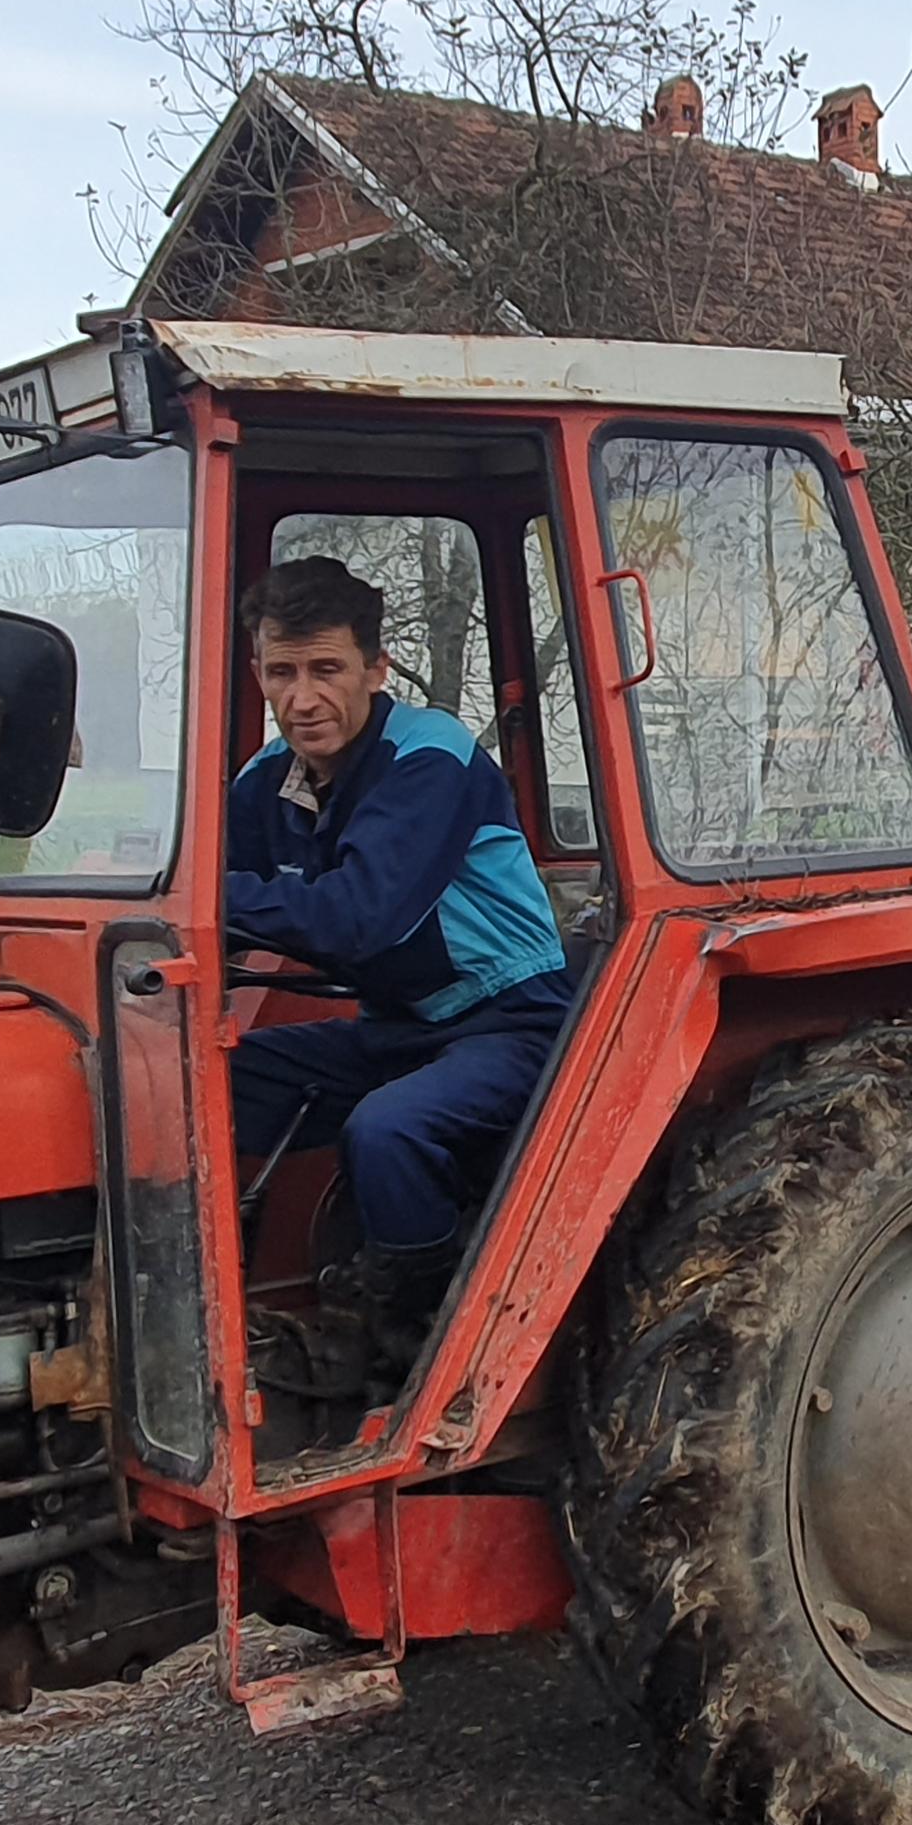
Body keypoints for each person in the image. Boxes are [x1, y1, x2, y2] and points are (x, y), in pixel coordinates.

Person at [224, 556, 575, 1343]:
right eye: (282, 671)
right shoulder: (267, 778)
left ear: (376, 669)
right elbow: (208, 883)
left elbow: (360, 918)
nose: (303, 697)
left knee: (390, 1131)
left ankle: (413, 1328)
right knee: (189, 1092)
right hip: (396, 1028)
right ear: (256, 671)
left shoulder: (428, 757)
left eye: (327, 669)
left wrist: (215, 900)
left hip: (512, 1026)